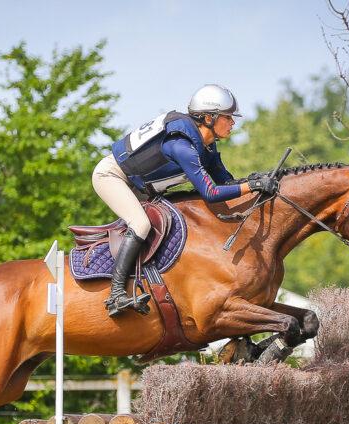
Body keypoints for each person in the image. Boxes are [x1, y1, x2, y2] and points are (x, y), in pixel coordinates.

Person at [93, 84, 279, 317]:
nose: (233, 123)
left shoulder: (207, 146)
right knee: (140, 224)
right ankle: (116, 295)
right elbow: (211, 193)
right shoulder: (181, 145)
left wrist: (254, 182)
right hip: (112, 176)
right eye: (228, 117)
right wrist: (250, 186)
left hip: (141, 186)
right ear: (209, 118)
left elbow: (226, 182)